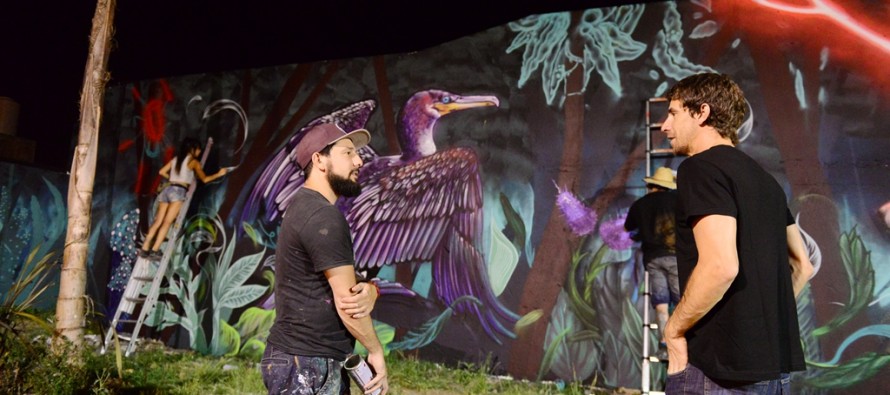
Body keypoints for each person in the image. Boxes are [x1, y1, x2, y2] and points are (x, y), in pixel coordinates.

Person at [660, 73, 814, 393]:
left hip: (720, 373)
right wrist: (759, 324)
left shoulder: (699, 168)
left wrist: (673, 331)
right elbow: (803, 264)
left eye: (673, 113)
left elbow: (721, 266)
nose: (664, 126)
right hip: (773, 372)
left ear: (701, 113)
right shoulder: (766, 181)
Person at [262, 122, 388, 395]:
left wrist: (371, 289)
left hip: (299, 358)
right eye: (348, 153)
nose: (358, 161)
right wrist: (375, 351)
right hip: (307, 362)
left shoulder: (303, 205)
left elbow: (336, 279)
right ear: (319, 159)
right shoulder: (323, 216)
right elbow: (347, 303)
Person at [139, 137, 228, 260]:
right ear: (192, 149)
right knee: (167, 222)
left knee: (157, 221)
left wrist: (172, 178)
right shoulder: (193, 162)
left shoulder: (176, 160)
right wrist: (219, 174)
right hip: (179, 191)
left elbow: (161, 172)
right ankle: (155, 250)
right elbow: (205, 179)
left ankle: (144, 248)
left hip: (167, 190)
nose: (199, 152)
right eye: (198, 150)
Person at [624, 166, 679, 359]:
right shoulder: (676, 201)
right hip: (674, 256)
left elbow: (629, 227)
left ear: (652, 185)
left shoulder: (640, 204)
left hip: (653, 259)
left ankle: (665, 343)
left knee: (661, 304)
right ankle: (682, 342)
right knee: (681, 302)